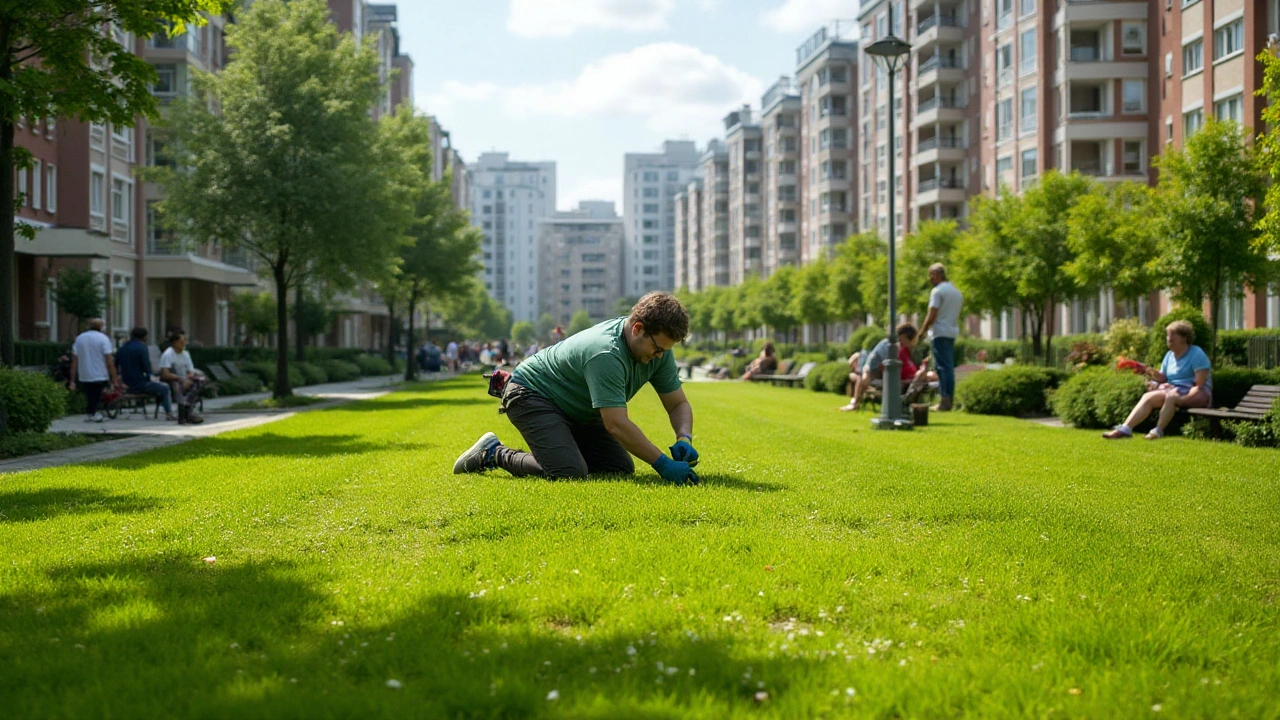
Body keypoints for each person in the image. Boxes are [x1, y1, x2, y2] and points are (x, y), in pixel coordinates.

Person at [453, 292, 699, 484]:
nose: (659, 356)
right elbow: (615, 423)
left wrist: (684, 438)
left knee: (617, 469)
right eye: (657, 349)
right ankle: (493, 453)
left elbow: (677, 403)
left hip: (578, 409)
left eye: (664, 351)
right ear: (637, 329)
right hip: (532, 393)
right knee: (568, 473)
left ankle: (560, 450)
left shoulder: (659, 352)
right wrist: (663, 464)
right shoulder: (606, 352)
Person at [1103, 320, 1212, 440]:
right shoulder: (1169, 355)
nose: (1169, 338)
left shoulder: (1197, 354)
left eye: (1173, 334)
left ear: (1184, 338)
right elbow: (1163, 377)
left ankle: (1158, 431)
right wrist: (1146, 370)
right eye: (1168, 335)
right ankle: (1125, 429)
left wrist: (1181, 399)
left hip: (1197, 394)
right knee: (1148, 397)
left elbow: (1199, 385)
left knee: (1171, 397)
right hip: (1174, 391)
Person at [840, 324, 928, 412]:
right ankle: (855, 403)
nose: (913, 343)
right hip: (873, 368)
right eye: (912, 340)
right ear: (904, 337)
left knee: (865, 378)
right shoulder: (891, 345)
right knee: (864, 379)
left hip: (877, 369)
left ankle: (856, 403)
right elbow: (884, 364)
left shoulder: (897, 346)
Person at [917, 263, 963, 411]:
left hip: (939, 333)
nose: (930, 279)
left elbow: (932, 314)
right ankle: (948, 398)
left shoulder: (937, 292)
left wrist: (922, 331)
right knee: (948, 367)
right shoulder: (956, 292)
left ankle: (944, 401)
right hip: (951, 332)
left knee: (942, 367)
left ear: (936, 275)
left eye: (931, 275)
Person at [116, 327, 177, 421]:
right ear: (144, 337)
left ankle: (164, 405)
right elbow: (147, 368)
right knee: (164, 387)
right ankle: (169, 412)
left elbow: (116, 364)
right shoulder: (142, 348)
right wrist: (154, 374)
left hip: (126, 383)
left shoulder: (122, 348)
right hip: (140, 384)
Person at [69, 318, 119, 423]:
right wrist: (114, 377)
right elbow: (109, 359)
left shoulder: (80, 338)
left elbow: (74, 359)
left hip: (84, 373)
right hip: (100, 373)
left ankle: (92, 412)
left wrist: (72, 380)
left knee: (90, 394)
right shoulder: (103, 339)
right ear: (101, 327)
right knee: (98, 394)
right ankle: (94, 413)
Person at [159, 330, 205, 425]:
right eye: (182, 340)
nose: (185, 343)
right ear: (175, 342)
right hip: (173, 380)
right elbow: (165, 374)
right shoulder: (168, 354)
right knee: (177, 386)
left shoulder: (185, 354)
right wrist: (181, 379)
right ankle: (186, 414)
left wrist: (189, 377)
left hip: (185, 380)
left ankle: (187, 411)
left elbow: (190, 370)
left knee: (199, 382)